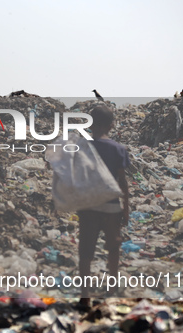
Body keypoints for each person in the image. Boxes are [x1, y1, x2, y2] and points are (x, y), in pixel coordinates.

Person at [77, 105, 130, 307]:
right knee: (113, 248)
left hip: (89, 206)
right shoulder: (118, 149)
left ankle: (85, 296)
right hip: (111, 207)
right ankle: (112, 288)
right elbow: (122, 182)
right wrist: (126, 208)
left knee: (85, 251)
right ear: (111, 125)